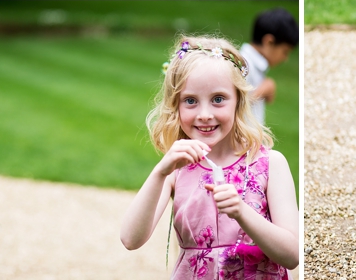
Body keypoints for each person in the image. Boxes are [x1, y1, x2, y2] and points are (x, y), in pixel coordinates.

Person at [120, 36, 298, 278]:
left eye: (218, 99)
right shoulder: (176, 170)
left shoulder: (270, 163)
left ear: (238, 101)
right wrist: (160, 172)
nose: (205, 114)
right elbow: (131, 239)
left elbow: (292, 255)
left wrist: (241, 212)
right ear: (176, 106)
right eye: (190, 101)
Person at [240, 8, 299, 125]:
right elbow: (233, 106)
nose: (285, 58)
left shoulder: (256, 66)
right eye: (285, 51)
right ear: (269, 42)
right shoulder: (243, 64)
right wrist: (262, 90)